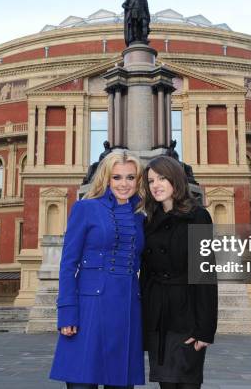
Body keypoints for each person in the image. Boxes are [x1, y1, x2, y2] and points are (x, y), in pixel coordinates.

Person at [50, 151, 146, 389]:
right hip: (89, 310)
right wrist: (67, 313)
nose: (124, 184)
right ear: (106, 179)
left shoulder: (141, 218)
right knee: (83, 382)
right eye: (117, 177)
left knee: (120, 383)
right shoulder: (85, 208)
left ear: (138, 181)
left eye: (130, 177)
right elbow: (68, 265)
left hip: (127, 310)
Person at [140, 156, 218, 389]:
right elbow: (145, 273)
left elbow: (205, 274)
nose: (156, 185)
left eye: (162, 178)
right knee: (166, 384)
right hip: (158, 316)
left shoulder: (198, 216)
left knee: (187, 384)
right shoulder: (148, 221)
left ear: (176, 179)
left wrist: (205, 329)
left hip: (187, 317)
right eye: (151, 180)